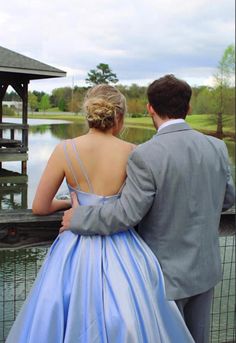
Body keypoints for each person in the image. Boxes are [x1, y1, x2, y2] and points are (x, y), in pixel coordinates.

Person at [6, 84, 194, 343]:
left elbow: (39, 207)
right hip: (123, 245)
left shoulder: (65, 149)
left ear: (89, 114)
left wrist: (68, 204)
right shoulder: (133, 152)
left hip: (74, 244)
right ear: (119, 117)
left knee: (59, 309)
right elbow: (137, 205)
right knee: (134, 310)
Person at [61, 75, 235, 343]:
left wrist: (79, 216)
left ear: (150, 108)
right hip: (205, 270)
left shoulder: (145, 154)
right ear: (188, 109)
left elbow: (126, 214)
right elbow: (227, 200)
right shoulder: (217, 147)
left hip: (163, 276)